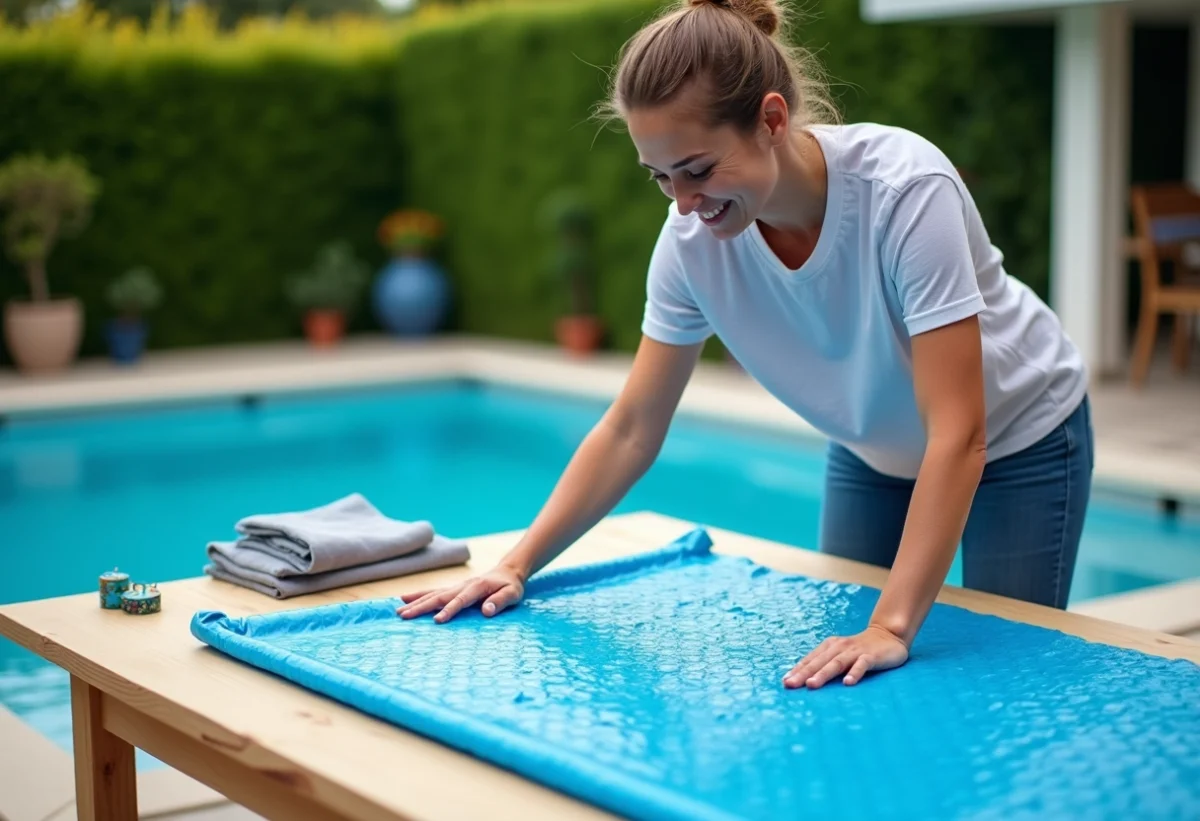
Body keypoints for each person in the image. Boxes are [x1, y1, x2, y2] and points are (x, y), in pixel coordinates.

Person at [397, 0, 1094, 690]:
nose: (681, 202)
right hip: (872, 452)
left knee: (1008, 679)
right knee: (847, 675)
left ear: (771, 119)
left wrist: (893, 625)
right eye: (659, 176)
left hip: (1017, 440)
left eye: (696, 170)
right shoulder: (690, 248)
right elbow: (632, 428)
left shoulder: (906, 192)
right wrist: (515, 564)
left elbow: (958, 431)